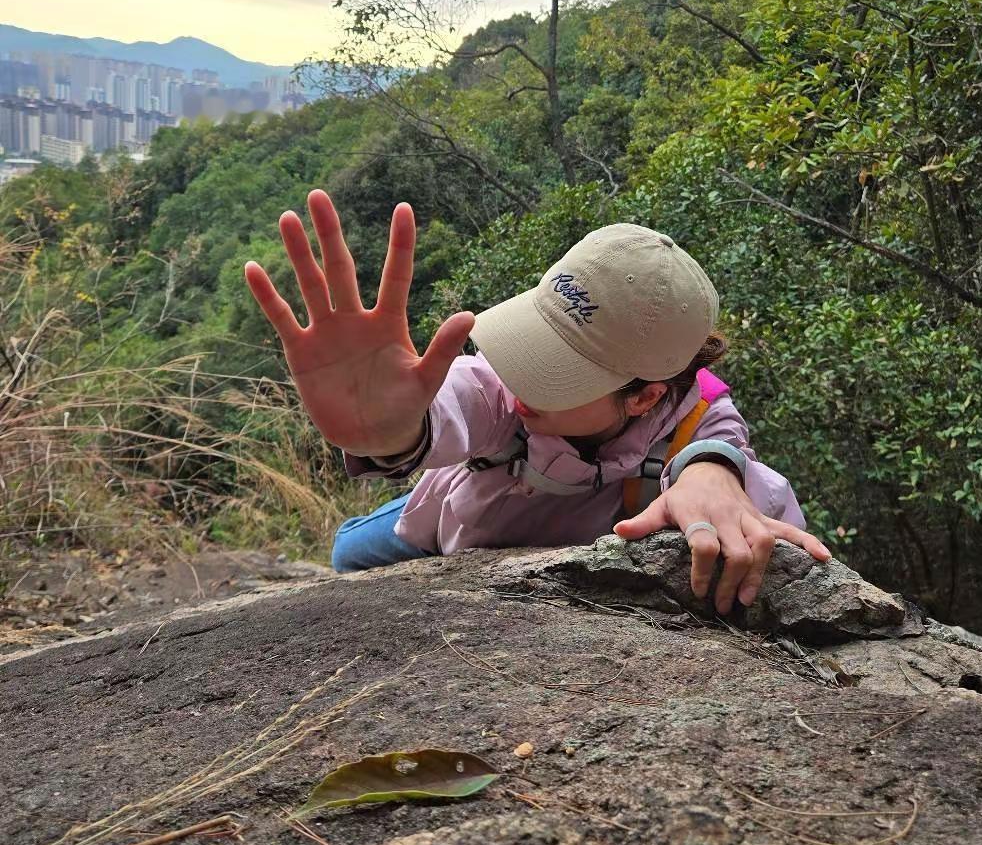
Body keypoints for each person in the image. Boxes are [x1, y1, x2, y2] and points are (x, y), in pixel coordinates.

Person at [244, 190, 830, 616]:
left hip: (501, 543)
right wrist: (392, 432)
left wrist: (714, 473)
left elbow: (729, 468)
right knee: (349, 551)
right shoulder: (503, 396)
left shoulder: (709, 461)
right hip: (450, 518)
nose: (517, 387)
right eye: (530, 347)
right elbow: (469, 394)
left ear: (644, 397)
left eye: (554, 376)